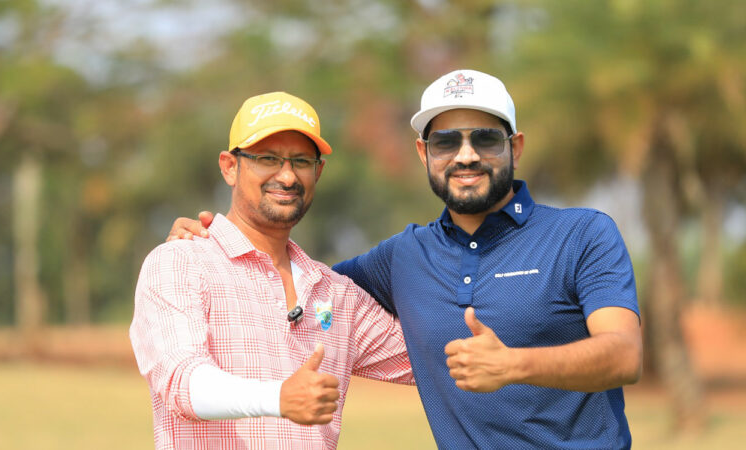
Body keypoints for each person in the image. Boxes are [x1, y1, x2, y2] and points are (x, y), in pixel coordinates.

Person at [169, 70, 643, 449]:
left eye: (485, 139)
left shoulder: (582, 233)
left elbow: (624, 355)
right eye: (445, 142)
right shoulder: (403, 256)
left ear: (514, 147)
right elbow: (303, 289)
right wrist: (208, 246)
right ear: (423, 153)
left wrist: (514, 365)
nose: (466, 155)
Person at [130, 91, 413, 449]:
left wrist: (506, 358)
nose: (287, 176)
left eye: (301, 161)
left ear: (318, 172)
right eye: (267, 158)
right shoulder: (180, 262)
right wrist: (278, 398)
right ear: (230, 166)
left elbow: (432, 360)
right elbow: (181, 382)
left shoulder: (335, 293)